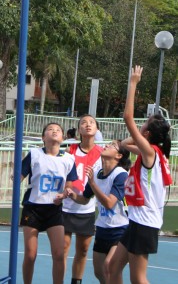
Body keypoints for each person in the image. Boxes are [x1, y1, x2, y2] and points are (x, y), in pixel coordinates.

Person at [108, 66, 172, 284]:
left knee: (138, 279)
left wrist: (133, 82)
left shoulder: (150, 153)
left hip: (145, 223)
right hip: (136, 220)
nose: (140, 124)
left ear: (146, 134)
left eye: (143, 124)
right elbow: (124, 144)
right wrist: (137, 137)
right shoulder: (149, 152)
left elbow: (127, 117)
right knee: (112, 268)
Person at [19, 122, 78, 284]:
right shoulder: (34, 154)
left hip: (54, 209)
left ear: (63, 137)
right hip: (33, 208)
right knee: (31, 255)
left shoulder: (68, 159)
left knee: (59, 254)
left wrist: (65, 192)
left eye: (58, 130)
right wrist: (15, 177)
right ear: (43, 137)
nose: (54, 131)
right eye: (50, 129)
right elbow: (20, 176)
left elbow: (70, 183)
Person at [66, 139, 131, 284]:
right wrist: (71, 194)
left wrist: (93, 184)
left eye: (113, 145)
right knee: (99, 272)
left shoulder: (121, 175)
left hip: (121, 228)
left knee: (110, 266)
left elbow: (109, 203)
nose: (107, 145)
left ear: (119, 156)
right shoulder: (97, 173)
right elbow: (84, 199)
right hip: (102, 228)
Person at [62, 114, 103, 284]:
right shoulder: (69, 151)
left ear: (97, 129)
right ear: (79, 129)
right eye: (84, 123)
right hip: (66, 207)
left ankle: (76, 281)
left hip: (86, 207)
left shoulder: (102, 153)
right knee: (63, 249)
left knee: (83, 250)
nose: (88, 125)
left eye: (91, 122)